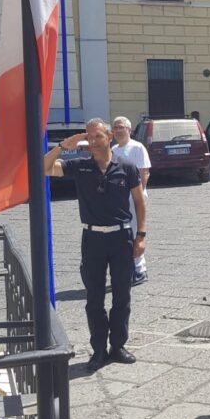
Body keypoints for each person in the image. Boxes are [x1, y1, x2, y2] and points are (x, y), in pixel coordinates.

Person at [44, 118, 146, 373]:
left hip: (121, 237)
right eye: (88, 138)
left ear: (110, 136)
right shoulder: (80, 166)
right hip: (92, 239)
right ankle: (99, 350)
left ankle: (118, 346)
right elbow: (44, 168)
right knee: (94, 298)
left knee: (122, 294)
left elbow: (140, 202)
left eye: (97, 136)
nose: (92, 141)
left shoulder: (127, 166)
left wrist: (141, 235)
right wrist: (61, 146)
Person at [111, 116, 151, 286]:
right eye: (116, 127)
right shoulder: (113, 149)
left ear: (129, 129)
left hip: (133, 198)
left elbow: (144, 172)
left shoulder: (137, 147)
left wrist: (139, 195)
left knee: (136, 232)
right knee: (122, 234)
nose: (119, 130)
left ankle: (140, 269)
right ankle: (128, 268)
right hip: (117, 199)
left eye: (122, 127)